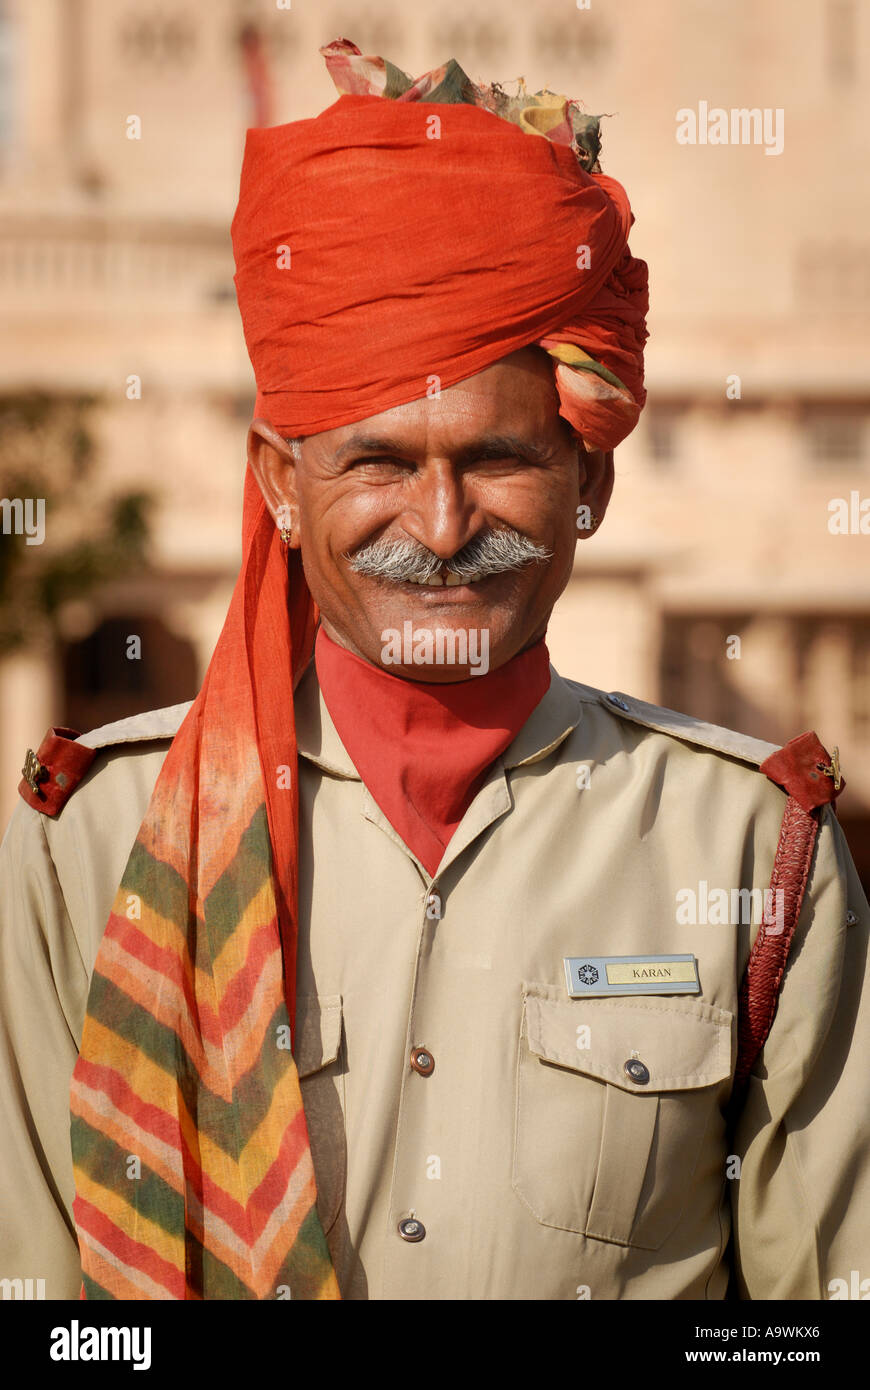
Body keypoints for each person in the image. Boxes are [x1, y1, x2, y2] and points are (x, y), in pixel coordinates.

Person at [1, 38, 868, 1302]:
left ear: (593, 487)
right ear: (278, 488)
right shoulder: (96, 847)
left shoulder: (747, 855)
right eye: (380, 463)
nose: (445, 524)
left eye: (500, 459)